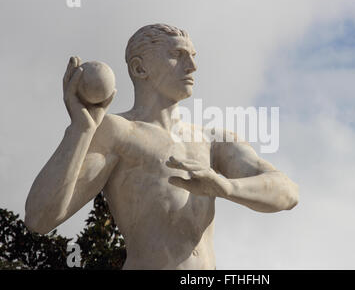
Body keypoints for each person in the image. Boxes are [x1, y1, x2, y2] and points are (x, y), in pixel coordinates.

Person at [25, 24, 299, 269]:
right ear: (139, 68)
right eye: (178, 55)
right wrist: (80, 131)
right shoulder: (119, 131)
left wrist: (226, 187)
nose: (192, 66)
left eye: (193, 56)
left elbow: (287, 192)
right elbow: (40, 218)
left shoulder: (213, 140)